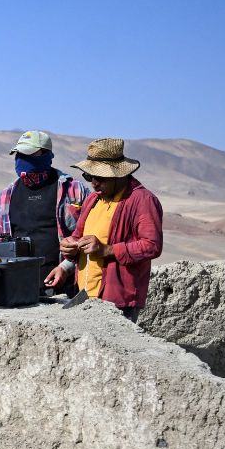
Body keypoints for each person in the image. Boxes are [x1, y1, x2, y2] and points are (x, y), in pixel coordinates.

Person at [46, 138, 164, 322]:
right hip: (84, 295)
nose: (94, 183)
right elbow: (79, 237)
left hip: (117, 301)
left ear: (119, 174)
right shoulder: (93, 199)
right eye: (89, 176)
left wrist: (106, 250)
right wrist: (69, 249)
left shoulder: (142, 200)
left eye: (100, 178)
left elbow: (152, 245)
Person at [0, 130, 90, 289]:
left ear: (46, 155)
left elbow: (90, 236)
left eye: (27, 154)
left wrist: (65, 268)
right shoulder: (5, 197)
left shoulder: (73, 191)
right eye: (18, 154)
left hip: (65, 285)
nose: (21, 159)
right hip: (17, 286)